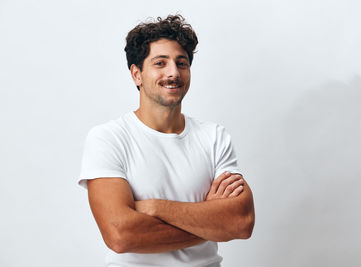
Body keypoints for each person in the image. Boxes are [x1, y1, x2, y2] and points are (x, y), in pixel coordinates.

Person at [78, 14, 255, 267]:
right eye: (160, 63)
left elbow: (241, 222)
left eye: (181, 63)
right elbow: (120, 235)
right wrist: (210, 222)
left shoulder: (214, 137)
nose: (173, 72)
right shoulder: (109, 138)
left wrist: (154, 208)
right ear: (137, 74)